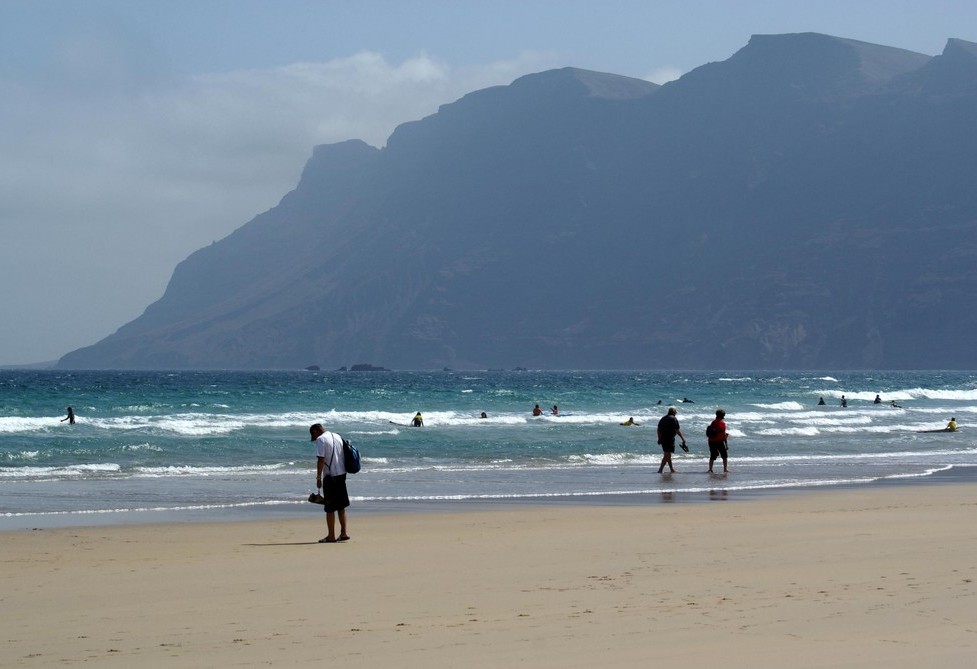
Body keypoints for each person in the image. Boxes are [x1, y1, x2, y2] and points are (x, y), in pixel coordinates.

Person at [310, 423, 350, 543]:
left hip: (330, 477)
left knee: (330, 508)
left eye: (313, 435)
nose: (314, 438)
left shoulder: (321, 440)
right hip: (342, 474)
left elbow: (321, 459)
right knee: (341, 506)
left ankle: (331, 536)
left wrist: (318, 478)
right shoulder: (337, 436)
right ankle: (343, 533)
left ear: (316, 431)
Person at [656, 407, 687, 474]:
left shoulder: (663, 418)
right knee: (667, 454)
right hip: (669, 438)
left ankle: (671, 469)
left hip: (663, 438)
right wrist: (682, 438)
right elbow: (676, 430)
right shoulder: (673, 418)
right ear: (674, 412)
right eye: (675, 412)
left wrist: (659, 438)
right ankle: (660, 470)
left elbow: (658, 429)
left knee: (668, 454)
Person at [707, 409, 729, 473]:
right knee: (724, 456)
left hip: (711, 441)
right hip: (719, 441)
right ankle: (725, 469)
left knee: (712, 455)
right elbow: (724, 434)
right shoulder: (722, 423)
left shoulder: (713, 422)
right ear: (723, 415)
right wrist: (726, 444)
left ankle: (710, 469)